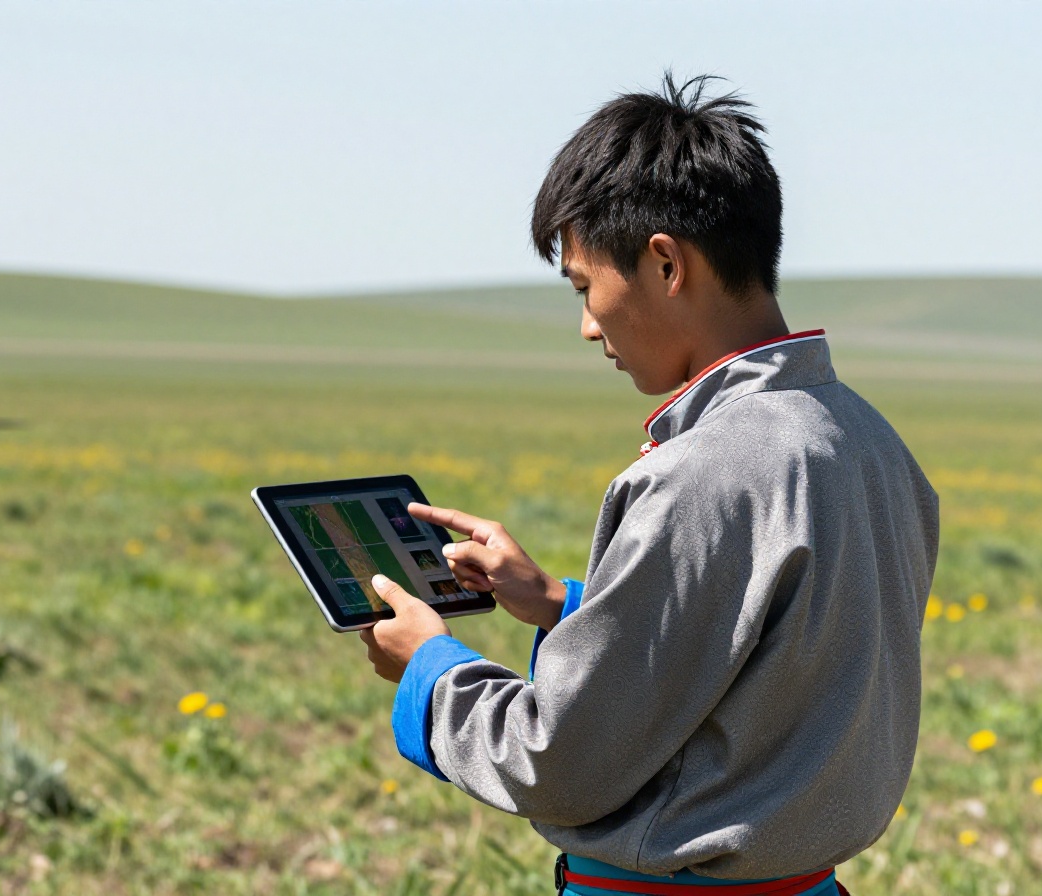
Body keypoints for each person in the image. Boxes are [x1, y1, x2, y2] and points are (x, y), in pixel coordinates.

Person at [357, 73, 939, 896]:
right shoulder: (872, 443)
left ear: (665, 263)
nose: (589, 325)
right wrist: (565, 606)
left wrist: (430, 669)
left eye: (586, 286)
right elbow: (767, 661)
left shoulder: (702, 472)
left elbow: (558, 761)